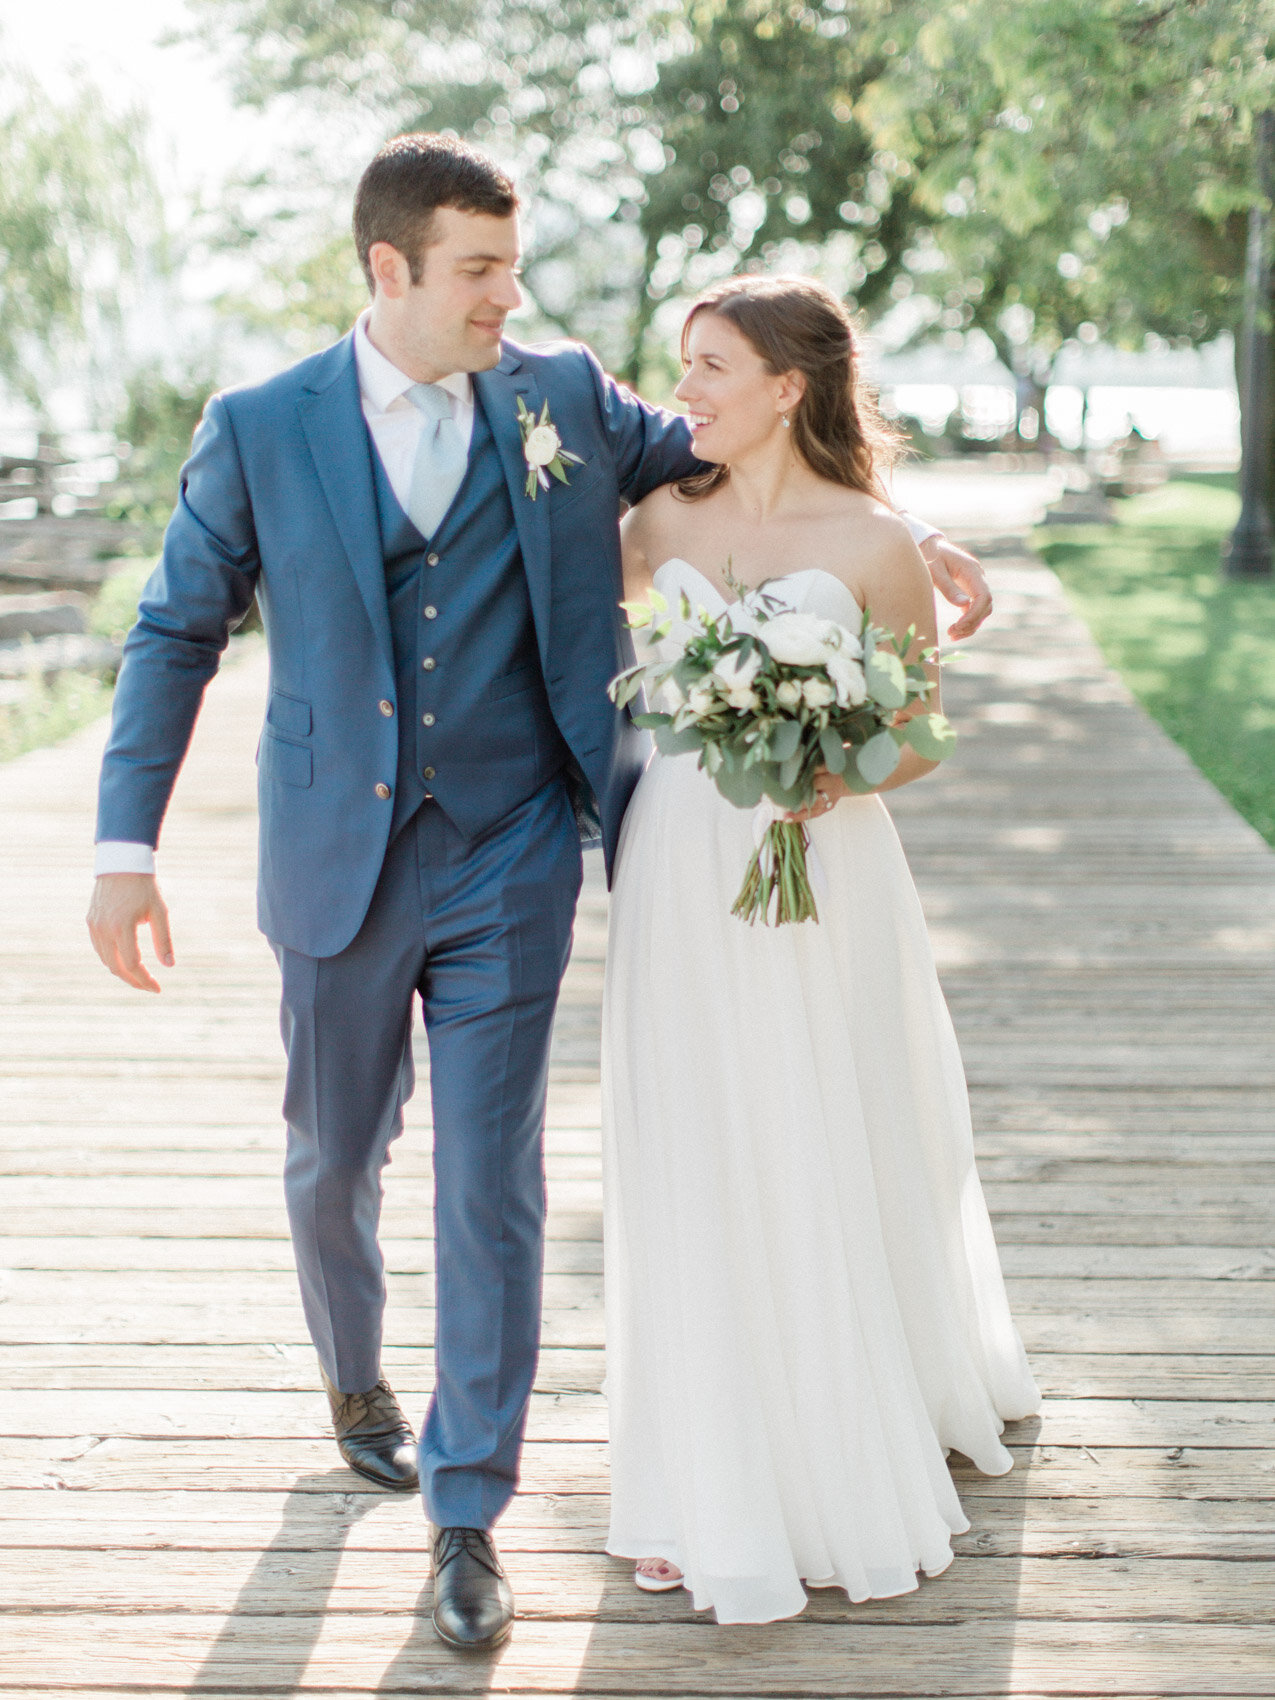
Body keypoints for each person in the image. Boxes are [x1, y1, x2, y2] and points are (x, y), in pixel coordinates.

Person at [84, 134, 990, 1652]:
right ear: (393, 271)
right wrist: (126, 850)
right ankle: (354, 1372)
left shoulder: (562, 393)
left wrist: (925, 534)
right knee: (331, 1154)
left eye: (515, 264)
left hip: (513, 847)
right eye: (483, 271)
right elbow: (174, 633)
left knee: (490, 1174)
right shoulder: (257, 426)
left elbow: (757, 463)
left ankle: (466, 1511)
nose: (514, 294)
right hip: (338, 853)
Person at [602, 275, 1040, 1625]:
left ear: (788, 387)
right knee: (696, 1141)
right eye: (683, 365)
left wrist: (832, 773)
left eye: (712, 366)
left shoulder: (872, 544)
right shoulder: (652, 519)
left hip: (825, 864)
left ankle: (839, 1428)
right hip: (679, 860)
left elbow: (920, 730)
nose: (687, 391)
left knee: (821, 1123)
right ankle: (696, 1470)